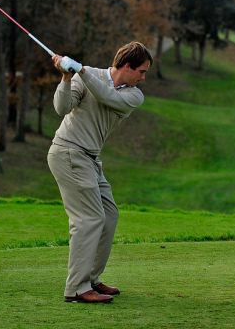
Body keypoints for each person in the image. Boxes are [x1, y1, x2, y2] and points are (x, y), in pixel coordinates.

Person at [46, 41, 152, 304]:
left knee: (109, 215)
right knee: (89, 219)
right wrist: (65, 77)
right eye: (142, 71)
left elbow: (108, 97)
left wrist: (81, 70)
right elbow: (62, 108)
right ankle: (77, 288)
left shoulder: (133, 95)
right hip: (69, 152)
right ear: (127, 66)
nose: (144, 77)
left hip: (90, 158)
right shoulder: (87, 75)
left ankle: (91, 278)